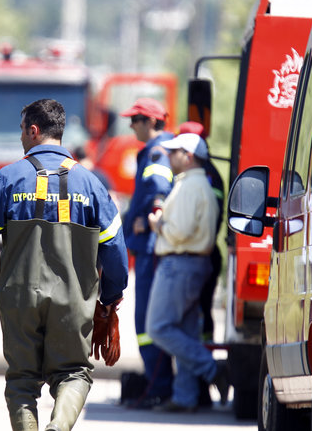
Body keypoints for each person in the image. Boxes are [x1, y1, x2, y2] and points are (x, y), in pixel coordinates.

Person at [0, 99, 129, 431]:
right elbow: (114, 253)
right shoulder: (92, 184)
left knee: (22, 379)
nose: (22, 137)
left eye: (23, 130)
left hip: (19, 298)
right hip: (73, 300)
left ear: (34, 130)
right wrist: (109, 300)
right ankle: (58, 428)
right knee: (74, 372)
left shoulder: (9, 177)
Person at [145, 133, 227, 412]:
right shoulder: (196, 184)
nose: (169, 155)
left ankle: (214, 371)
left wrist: (157, 223)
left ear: (188, 156)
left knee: (158, 328)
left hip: (179, 263)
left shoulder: (190, 187)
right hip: (192, 263)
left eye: (174, 151)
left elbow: (178, 231)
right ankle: (185, 397)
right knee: (186, 331)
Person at [119, 97, 174, 408]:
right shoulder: (159, 150)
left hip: (151, 248)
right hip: (151, 248)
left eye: (136, 119)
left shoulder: (156, 152)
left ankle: (158, 386)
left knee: (148, 323)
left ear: (151, 122)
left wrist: (148, 217)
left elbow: (158, 189)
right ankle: (158, 383)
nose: (131, 125)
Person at [177, 121, 224, 344]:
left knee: (197, 312)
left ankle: (202, 363)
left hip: (198, 254)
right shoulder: (209, 174)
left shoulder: (201, 177)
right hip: (207, 253)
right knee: (202, 310)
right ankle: (203, 356)